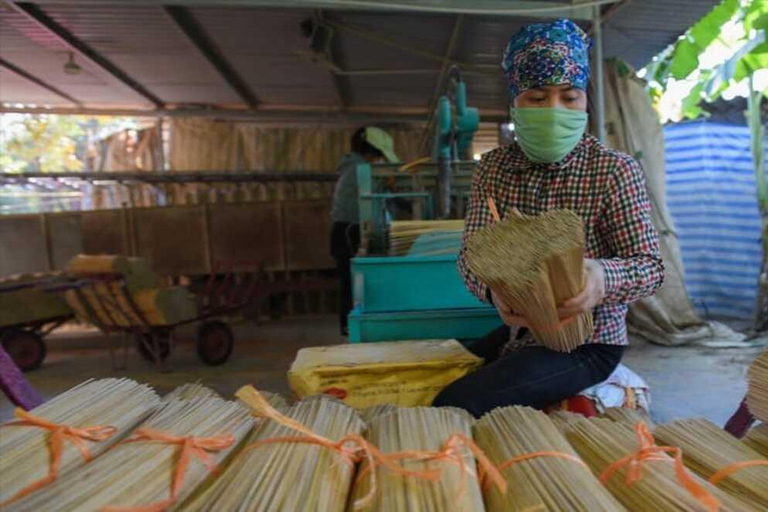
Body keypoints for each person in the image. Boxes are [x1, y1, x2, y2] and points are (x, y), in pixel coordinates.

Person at [433, 19, 665, 417]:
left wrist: (600, 278)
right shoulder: (494, 169)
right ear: (515, 103)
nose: (554, 110)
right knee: (436, 376)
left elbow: (650, 267)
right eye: (537, 98)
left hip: (590, 344)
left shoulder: (613, 170)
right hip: (523, 330)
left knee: (456, 403)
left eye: (569, 97)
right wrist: (494, 293)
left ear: (585, 102)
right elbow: (471, 257)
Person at [330, 127, 399, 336]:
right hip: (350, 232)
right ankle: (352, 327)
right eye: (379, 155)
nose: (379, 160)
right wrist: (392, 184)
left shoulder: (352, 166)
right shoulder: (360, 170)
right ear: (372, 151)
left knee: (350, 282)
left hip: (345, 231)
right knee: (353, 283)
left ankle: (350, 325)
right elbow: (389, 196)